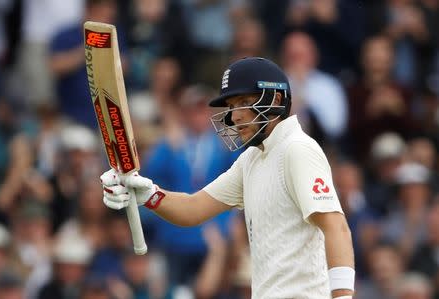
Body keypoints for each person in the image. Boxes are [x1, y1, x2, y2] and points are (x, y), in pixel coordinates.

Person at [100, 57, 355, 298]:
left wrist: (342, 296)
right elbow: (193, 209)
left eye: (243, 102)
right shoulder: (251, 160)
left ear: (275, 98)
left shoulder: (297, 149)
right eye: (232, 107)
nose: (234, 116)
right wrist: (148, 194)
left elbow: (336, 227)